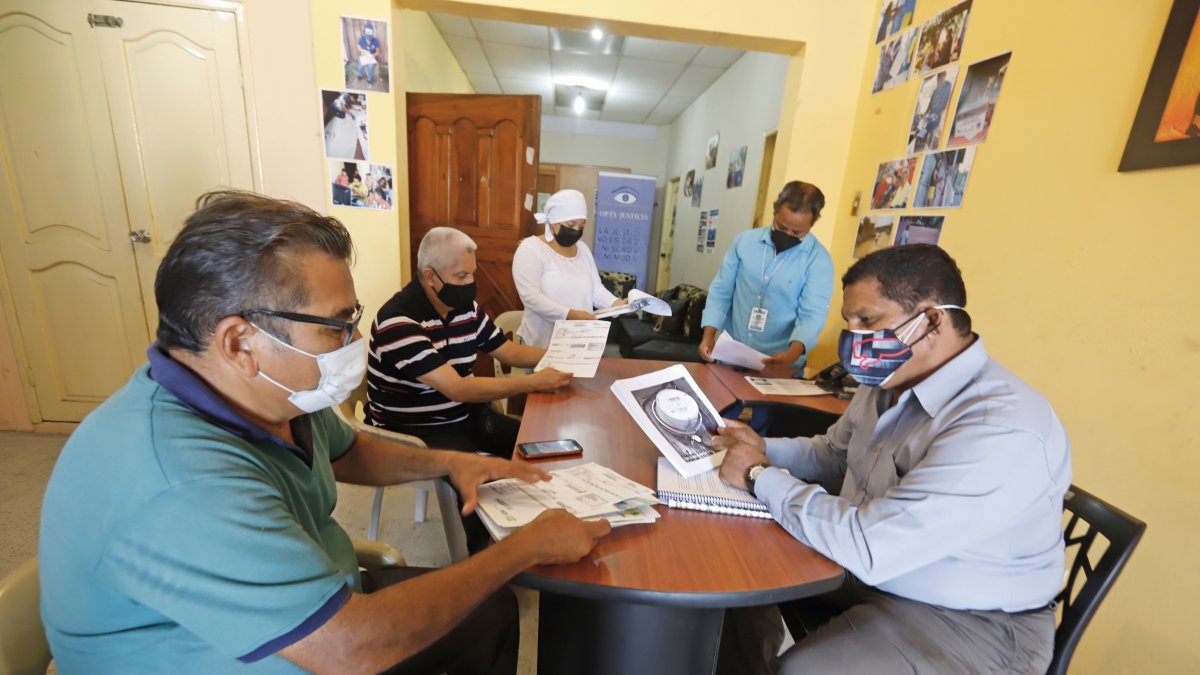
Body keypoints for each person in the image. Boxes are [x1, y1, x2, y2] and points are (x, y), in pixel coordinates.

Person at [38, 190, 611, 674]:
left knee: (489, 616)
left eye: (353, 318)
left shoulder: (269, 392)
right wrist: (521, 550)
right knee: (488, 588)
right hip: (306, 646)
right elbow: (349, 649)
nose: (356, 341)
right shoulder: (176, 480)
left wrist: (447, 463)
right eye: (337, 326)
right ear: (240, 342)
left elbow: (350, 447)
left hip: (317, 604)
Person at [713, 244, 1072, 674]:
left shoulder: (1001, 426)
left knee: (804, 672)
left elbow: (870, 545)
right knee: (730, 576)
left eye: (868, 321)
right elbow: (833, 455)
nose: (853, 338)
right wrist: (763, 448)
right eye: (848, 322)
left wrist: (758, 474)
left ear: (931, 321)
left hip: (972, 622)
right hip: (869, 571)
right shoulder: (886, 378)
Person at [367, 226, 573, 457]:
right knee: (494, 480)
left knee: (542, 449)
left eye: (472, 273)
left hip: (464, 417)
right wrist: (534, 382)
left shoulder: (465, 308)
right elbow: (458, 389)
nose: (470, 282)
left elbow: (508, 351)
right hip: (416, 431)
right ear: (429, 276)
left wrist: (565, 355)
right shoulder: (397, 322)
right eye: (461, 276)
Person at [699, 180, 833, 371]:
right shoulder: (744, 242)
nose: (787, 234)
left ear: (814, 222)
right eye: (781, 226)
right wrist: (708, 336)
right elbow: (721, 291)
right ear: (775, 209)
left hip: (778, 367)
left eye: (797, 232)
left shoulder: (819, 260)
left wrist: (790, 357)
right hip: (730, 358)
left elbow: (812, 316)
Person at [512, 189, 628, 348]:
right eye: (571, 224)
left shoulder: (583, 250)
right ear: (553, 222)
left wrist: (616, 303)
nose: (576, 231)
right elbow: (531, 297)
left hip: (579, 342)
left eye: (581, 225)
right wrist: (569, 315)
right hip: (542, 344)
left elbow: (596, 290)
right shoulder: (531, 249)